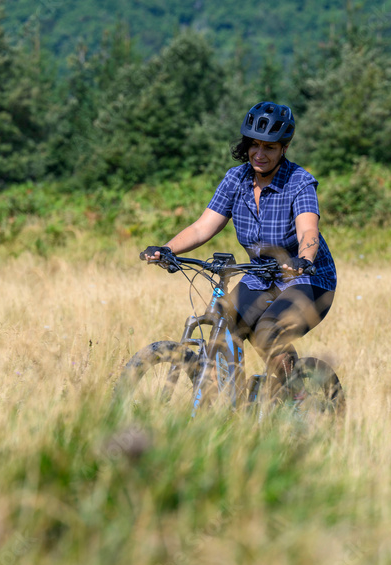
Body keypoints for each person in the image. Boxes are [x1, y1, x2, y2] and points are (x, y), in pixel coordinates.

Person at [143, 101, 337, 397]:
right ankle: (235, 403)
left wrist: (304, 259)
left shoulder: (299, 182)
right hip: (260, 276)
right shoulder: (236, 179)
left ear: (284, 148)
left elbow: (308, 231)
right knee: (225, 326)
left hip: (307, 277)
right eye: (254, 145)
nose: (259, 153)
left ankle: (296, 398)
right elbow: (202, 227)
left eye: (269, 147)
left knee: (268, 331)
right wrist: (166, 249)